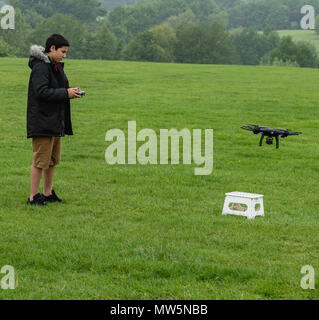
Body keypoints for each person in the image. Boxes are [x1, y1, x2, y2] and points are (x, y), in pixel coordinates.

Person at [27, 34, 82, 206]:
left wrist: (71, 91)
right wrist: (65, 93)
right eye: (63, 52)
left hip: (55, 121)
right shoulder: (41, 68)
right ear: (52, 48)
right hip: (42, 121)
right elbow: (41, 92)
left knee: (51, 161)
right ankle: (33, 197)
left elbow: (58, 89)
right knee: (40, 161)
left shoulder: (55, 66)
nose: (65, 55)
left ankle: (48, 193)